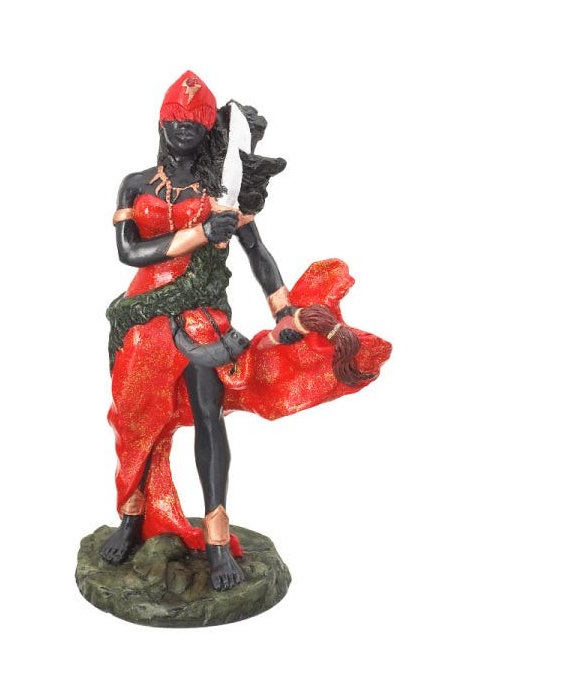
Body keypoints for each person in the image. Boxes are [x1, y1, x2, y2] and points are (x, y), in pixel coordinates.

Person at [99, 71, 391, 591]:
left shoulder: (221, 192)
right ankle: (132, 513)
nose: (183, 129)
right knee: (136, 416)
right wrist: (198, 233)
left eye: (194, 122)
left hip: (201, 315)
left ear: (208, 130)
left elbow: (258, 254)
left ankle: (216, 535)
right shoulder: (135, 184)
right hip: (141, 317)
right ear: (161, 123)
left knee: (209, 416)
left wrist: (283, 311)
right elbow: (128, 252)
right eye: (175, 119)